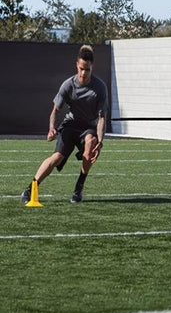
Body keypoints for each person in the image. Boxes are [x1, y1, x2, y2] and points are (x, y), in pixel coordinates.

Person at [21, 45, 108, 203]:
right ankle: (31, 187)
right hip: (70, 126)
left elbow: (102, 117)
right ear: (77, 65)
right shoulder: (68, 85)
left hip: (88, 128)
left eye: (87, 69)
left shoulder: (100, 87)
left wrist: (100, 140)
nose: (83, 73)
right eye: (81, 68)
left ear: (92, 68)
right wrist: (51, 128)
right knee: (57, 157)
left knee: (91, 145)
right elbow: (55, 110)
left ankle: (79, 186)